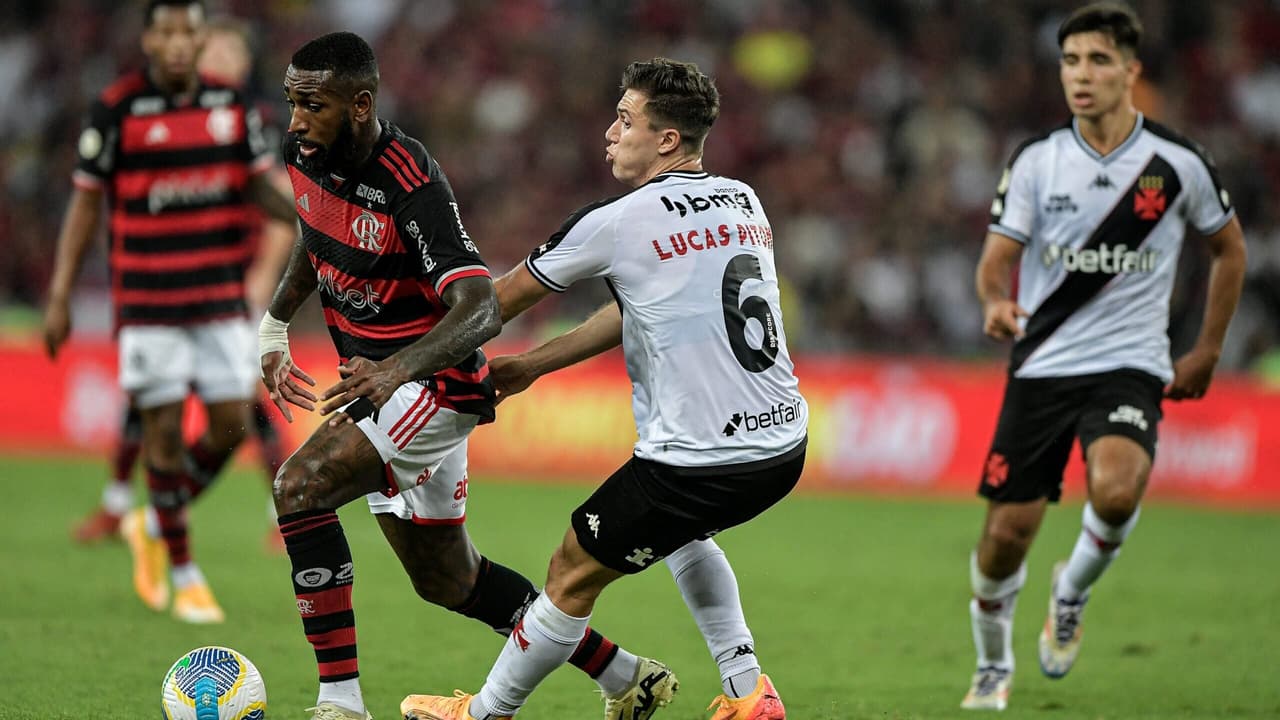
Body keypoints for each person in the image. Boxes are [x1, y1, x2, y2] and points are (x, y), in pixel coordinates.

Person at [260, 32, 676, 720]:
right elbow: (314, 229)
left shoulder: (410, 182)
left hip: (432, 387)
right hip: (384, 385)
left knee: (299, 486)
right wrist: (274, 325)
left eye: (313, 104)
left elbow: (480, 309)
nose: (297, 119)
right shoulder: (305, 153)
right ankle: (627, 676)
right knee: (448, 580)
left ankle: (339, 704)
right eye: (292, 102)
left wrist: (395, 371)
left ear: (360, 105)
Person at [400, 57, 806, 720]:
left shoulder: (618, 222)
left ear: (666, 140)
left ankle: (483, 715)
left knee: (569, 571)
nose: (610, 134)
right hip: (783, 445)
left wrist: (402, 352)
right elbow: (643, 308)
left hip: (697, 461)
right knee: (684, 534)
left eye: (626, 120)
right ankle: (749, 690)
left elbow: (492, 304)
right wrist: (532, 366)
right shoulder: (742, 199)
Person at [960, 2, 1247, 711]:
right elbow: (996, 261)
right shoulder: (1037, 160)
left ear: (1129, 69)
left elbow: (1229, 248)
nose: (1080, 76)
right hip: (1042, 364)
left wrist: (1207, 349)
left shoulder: (1174, 163)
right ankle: (993, 666)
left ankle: (1072, 589)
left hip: (1130, 363)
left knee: (1117, 491)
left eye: (1096, 60)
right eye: (1070, 61)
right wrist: (995, 303)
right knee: (1004, 539)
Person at [42, 0, 299, 623]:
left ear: (201, 36)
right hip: (149, 303)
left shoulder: (231, 107)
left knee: (227, 425)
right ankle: (182, 570)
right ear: (150, 39)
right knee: (159, 431)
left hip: (216, 300)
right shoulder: (118, 108)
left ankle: (151, 519)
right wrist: (59, 292)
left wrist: (309, 221)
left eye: (191, 30)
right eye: (168, 31)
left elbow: (261, 186)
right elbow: (84, 205)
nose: (180, 42)